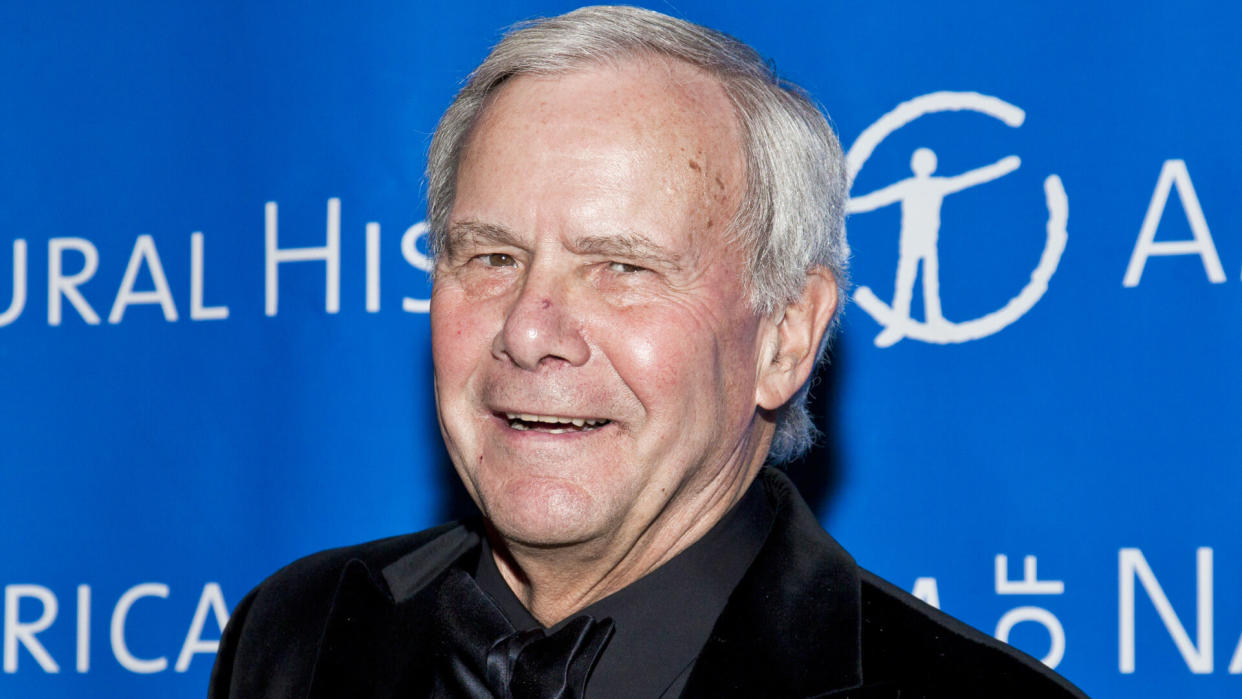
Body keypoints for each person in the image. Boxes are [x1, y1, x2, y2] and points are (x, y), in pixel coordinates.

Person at [209, 6, 1088, 698]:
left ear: (784, 336)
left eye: (621, 267)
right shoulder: (302, 634)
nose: (528, 327)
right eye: (491, 257)